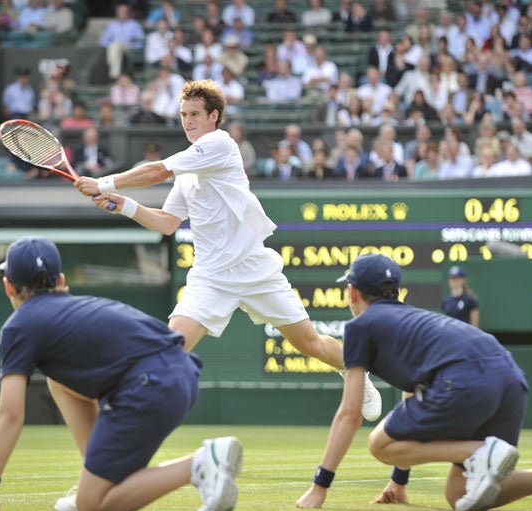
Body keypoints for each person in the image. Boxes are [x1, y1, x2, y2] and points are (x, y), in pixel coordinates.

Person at [74, 79, 381, 419]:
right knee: (171, 347)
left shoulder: (220, 144)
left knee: (311, 345)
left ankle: (356, 371)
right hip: (210, 277)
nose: (187, 121)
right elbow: (168, 222)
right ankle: (135, 420)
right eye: (182, 115)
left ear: (213, 116)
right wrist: (125, 205)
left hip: (254, 269)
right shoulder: (187, 172)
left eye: (194, 114)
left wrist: (102, 182)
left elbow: (157, 170)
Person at [0, 236, 242, 511]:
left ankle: (200, 463)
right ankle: (95, 478)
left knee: (92, 507)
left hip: (151, 385)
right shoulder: (80, 308)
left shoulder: (19, 325)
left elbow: (9, 415)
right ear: (60, 280)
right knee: (58, 382)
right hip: (180, 374)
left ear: (8, 285)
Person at [296, 253, 532, 511]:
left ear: (352, 292)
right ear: (395, 292)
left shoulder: (359, 327)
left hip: (464, 382)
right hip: (511, 378)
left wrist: (320, 486)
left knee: (379, 444)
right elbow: (411, 402)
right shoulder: (415, 320)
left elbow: (350, 414)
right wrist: (399, 482)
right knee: (459, 494)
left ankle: (477, 452)